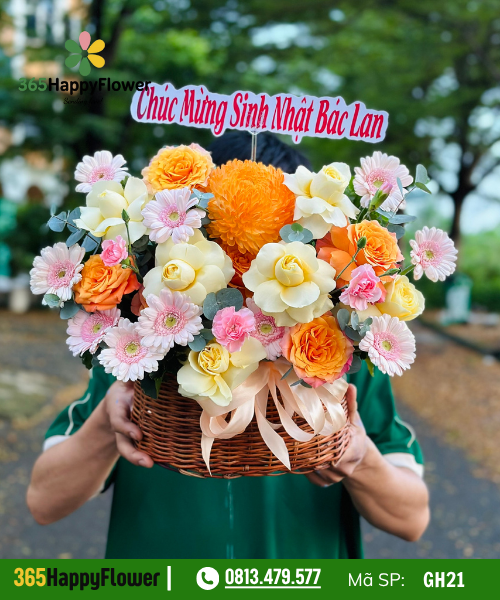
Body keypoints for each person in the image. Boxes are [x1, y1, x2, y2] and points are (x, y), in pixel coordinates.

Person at [27, 132, 429, 559]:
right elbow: (44, 501)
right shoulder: (134, 355)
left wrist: (360, 459)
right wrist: (107, 424)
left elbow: (411, 519)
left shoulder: (335, 359)